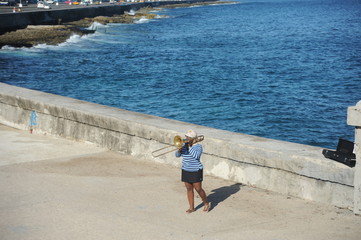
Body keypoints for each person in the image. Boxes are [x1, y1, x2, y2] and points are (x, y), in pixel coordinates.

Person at [175, 130, 210, 213]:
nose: (186, 138)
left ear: (193, 138)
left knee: (198, 188)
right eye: (186, 136)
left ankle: (206, 203)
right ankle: (191, 208)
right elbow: (177, 155)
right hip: (186, 169)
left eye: (188, 137)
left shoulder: (198, 146)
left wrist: (189, 147)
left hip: (196, 170)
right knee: (189, 188)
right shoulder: (184, 145)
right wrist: (179, 150)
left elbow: (196, 156)